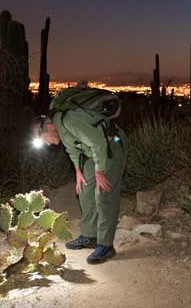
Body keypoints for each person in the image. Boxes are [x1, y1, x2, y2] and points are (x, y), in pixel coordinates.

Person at [32, 106, 127, 264]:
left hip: (112, 146)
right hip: (97, 152)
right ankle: (90, 236)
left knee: (103, 193)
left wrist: (99, 172)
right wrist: (78, 171)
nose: (47, 144)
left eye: (43, 139)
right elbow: (72, 149)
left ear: (48, 127)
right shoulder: (61, 128)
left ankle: (106, 245)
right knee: (84, 187)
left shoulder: (69, 122)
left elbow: (98, 144)